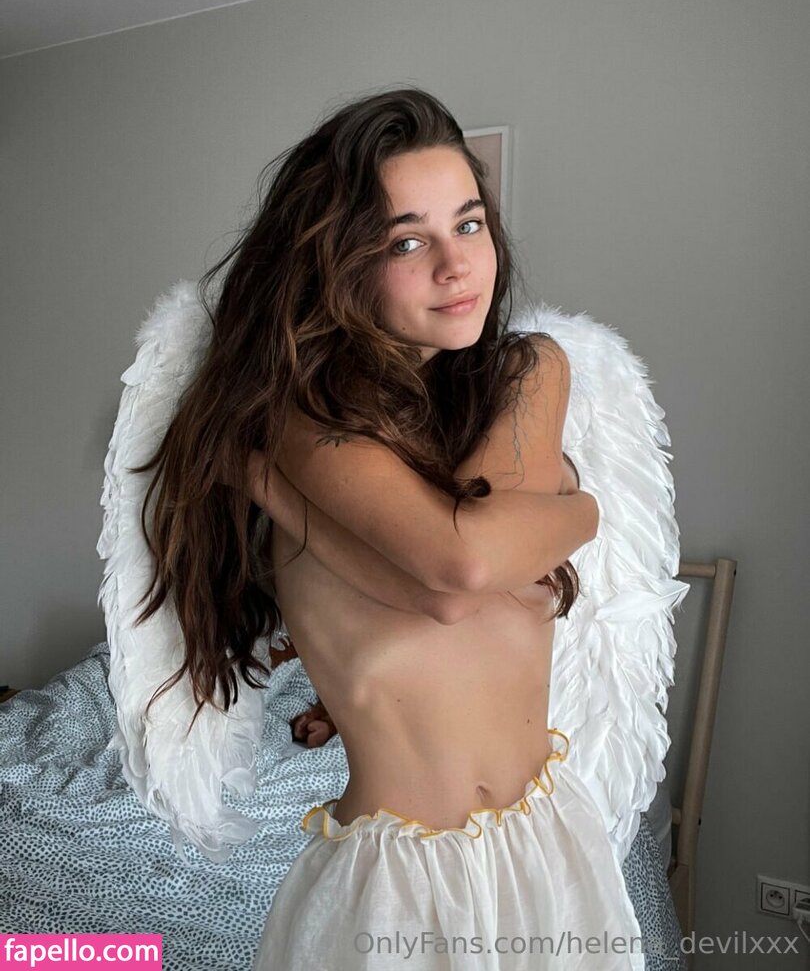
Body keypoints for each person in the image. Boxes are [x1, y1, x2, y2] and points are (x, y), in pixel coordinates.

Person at [132, 86, 646, 969]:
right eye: (407, 241)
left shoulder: (528, 372)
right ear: (340, 265)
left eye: (470, 224)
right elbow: (461, 572)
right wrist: (581, 510)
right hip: (399, 886)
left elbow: (455, 583)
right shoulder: (302, 424)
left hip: (551, 845)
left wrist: (278, 495)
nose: (457, 265)